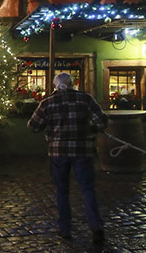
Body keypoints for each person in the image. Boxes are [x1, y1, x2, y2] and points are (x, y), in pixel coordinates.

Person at [28, 72, 108, 245]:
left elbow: (33, 126)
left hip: (58, 153)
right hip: (83, 151)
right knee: (87, 190)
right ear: (72, 84)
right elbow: (101, 122)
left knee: (62, 192)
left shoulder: (47, 103)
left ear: (55, 85)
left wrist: (50, 125)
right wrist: (91, 129)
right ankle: (96, 228)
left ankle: (65, 230)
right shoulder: (85, 99)